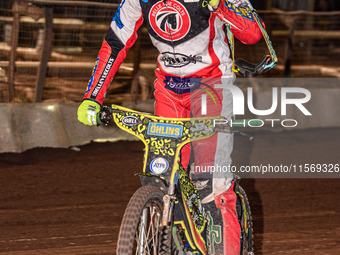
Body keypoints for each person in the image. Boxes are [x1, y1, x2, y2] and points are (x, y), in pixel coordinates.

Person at [77, 0, 263, 254]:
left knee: (211, 183)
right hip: (169, 90)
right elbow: (116, 41)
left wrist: (220, 5)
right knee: (165, 174)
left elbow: (252, 34)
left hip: (212, 86)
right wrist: (93, 96)